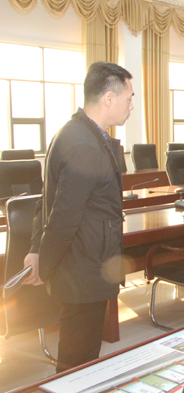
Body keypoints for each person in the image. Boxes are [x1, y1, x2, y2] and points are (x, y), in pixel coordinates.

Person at [23, 62, 134, 373]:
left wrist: (36, 248)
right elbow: (63, 217)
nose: (131, 106)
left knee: (81, 359)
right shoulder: (83, 143)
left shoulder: (80, 133)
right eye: (129, 98)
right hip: (81, 272)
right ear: (109, 98)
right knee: (76, 362)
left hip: (83, 265)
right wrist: (44, 264)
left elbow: (45, 201)